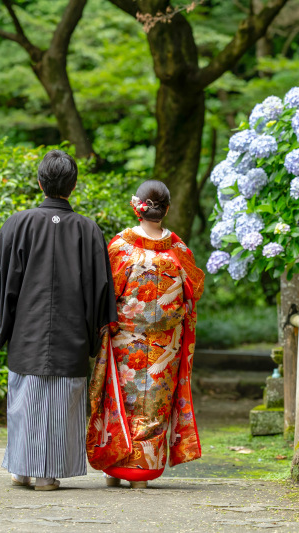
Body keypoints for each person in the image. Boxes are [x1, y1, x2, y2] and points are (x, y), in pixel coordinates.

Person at [0, 149, 118, 491]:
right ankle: (46, 475)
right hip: (71, 337)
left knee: (26, 399)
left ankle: (22, 469)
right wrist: (97, 330)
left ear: (40, 183)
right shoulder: (88, 229)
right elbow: (100, 289)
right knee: (63, 404)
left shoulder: (18, 223)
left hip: (27, 332)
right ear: (74, 186)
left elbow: (2, 279)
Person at [86, 180, 205, 489]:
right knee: (154, 403)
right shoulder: (178, 249)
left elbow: (104, 295)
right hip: (166, 345)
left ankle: (114, 465)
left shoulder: (120, 247)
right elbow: (194, 292)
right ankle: (143, 470)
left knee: (121, 400)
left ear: (136, 206)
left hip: (125, 341)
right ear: (166, 209)